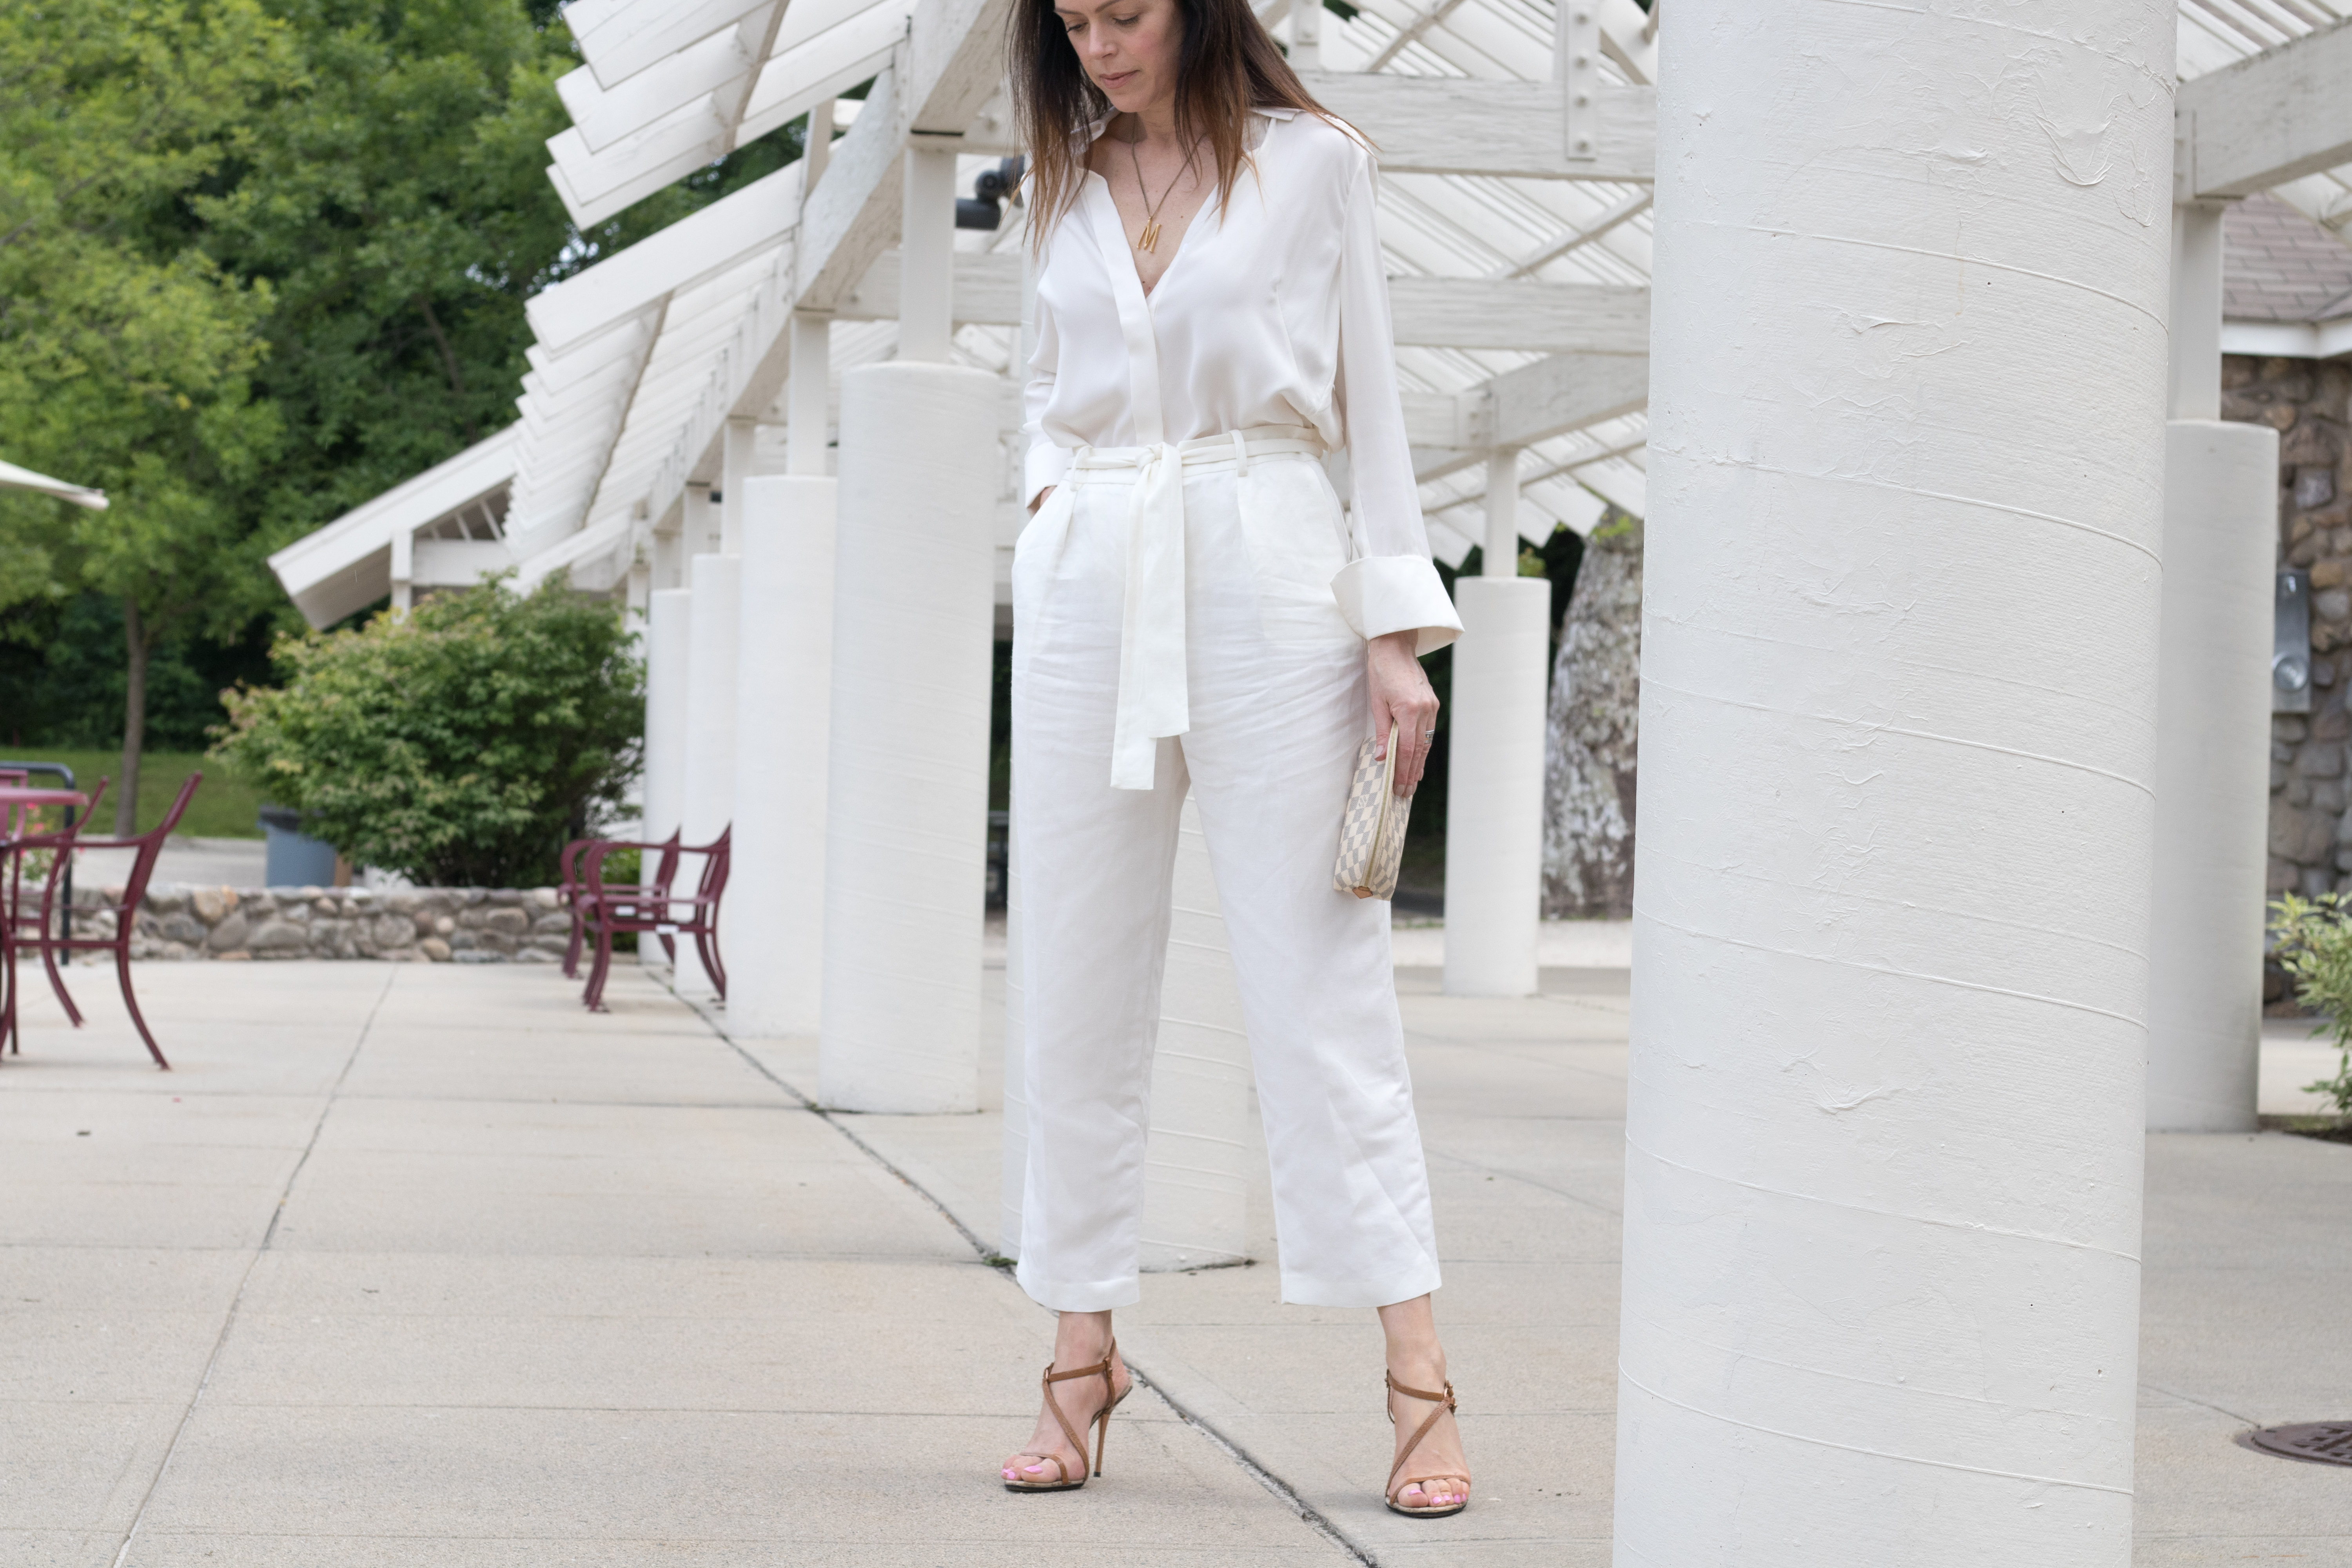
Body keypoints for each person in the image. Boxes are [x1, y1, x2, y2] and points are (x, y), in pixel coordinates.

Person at [1000, 0, 1471, 1519]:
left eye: (1127, 12)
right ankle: (1081, 1351)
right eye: (1073, 21)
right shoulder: (1056, 178)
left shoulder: (1314, 165)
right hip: (1089, 586)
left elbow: (1373, 401)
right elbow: (1041, 391)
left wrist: (1394, 628)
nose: (1101, 44)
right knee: (1069, 973)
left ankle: (1417, 1373)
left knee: (1320, 982)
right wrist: (1043, 521)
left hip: (1270, 567)